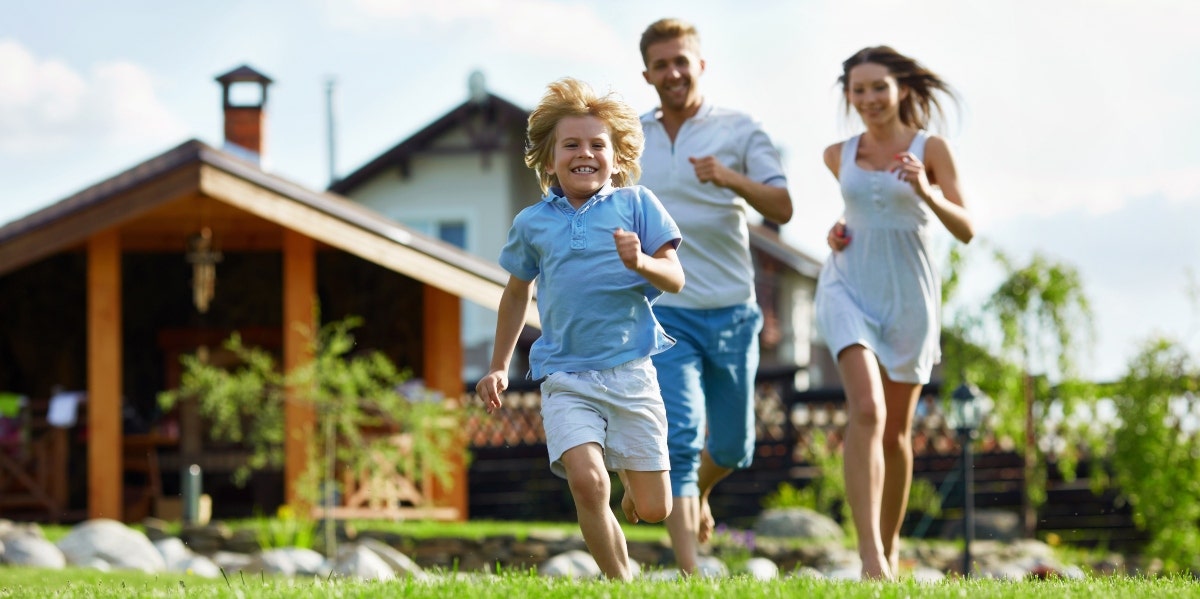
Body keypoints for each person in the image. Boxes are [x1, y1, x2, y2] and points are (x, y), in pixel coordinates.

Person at [475, 77, 684, 581]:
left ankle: (638, 487)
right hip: (566, 375)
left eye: (597, 144)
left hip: (631, 371)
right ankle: (621, 582)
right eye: (571, 144)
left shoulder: (637, 204)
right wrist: (499, 365)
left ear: (617, 157)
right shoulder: (532, 223)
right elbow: (516, 293)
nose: (584, 153)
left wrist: (642, 264)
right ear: (549, 160)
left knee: (656, 509)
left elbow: (674, 278)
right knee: (588, 484)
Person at [636, 18, 794, 575]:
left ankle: (698, 493)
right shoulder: (633, 138)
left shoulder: (739, 129)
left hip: (731, 310)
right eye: (661, 64)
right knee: (679, 436)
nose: (673, 72)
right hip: (665, 310)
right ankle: (689, 570)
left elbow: (782, 208)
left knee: (732, 447)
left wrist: (731, 179)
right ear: (648, 73)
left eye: (682, 61)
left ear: (700, 65)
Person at [815, 46, 974, 580]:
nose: (868, 100)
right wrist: (835, 231)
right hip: (848, 287)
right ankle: (870, 558)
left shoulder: (932, 148)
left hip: (909, 296)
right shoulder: (838, 153)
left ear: (901, 88)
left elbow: (966, 227)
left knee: (896, 433)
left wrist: (926, 190)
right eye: (857, 91)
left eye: (877, 87)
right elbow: (858, 211)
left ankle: (889, 543)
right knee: (867, 410)